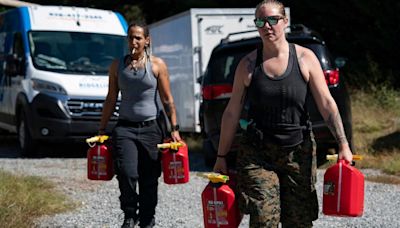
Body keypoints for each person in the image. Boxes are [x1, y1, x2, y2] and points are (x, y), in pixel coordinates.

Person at [213, 0, 353, 227]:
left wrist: (343, 145)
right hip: (258, 153)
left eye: (273, 20)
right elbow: (231, 113)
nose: (267, 26)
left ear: (285, 21)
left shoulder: (305, 58)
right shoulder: (247, 65)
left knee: (299, 221)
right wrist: (221, 157)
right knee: (264, 218)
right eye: (261, 21)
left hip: (298, 152)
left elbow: (327, 103)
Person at [98, 21, 181, 228]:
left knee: (149, 176)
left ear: (147, 40)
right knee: (126, 173)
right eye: (130, 37)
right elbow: (110, 98)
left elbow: (167, 99)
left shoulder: (157, 65)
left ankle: (147, 217)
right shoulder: (117, 66)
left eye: (138, 38)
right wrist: (102, 127)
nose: (133, 42)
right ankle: (129, 214)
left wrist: (174, 129)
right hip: (125, 128)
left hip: (151, 129)